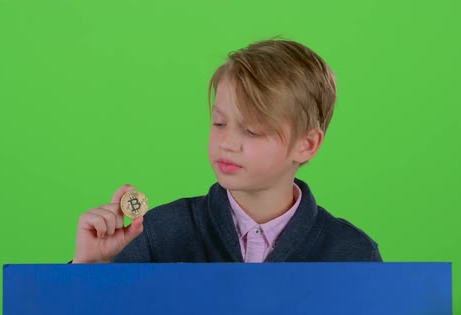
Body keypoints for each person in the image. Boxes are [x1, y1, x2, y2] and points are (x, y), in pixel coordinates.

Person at [71, 39, 382, 264]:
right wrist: (89, 269)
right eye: (219, 123)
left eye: (251, 131)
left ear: (307, 145)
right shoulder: (156, 234)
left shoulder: (354, 254)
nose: (227, 143)